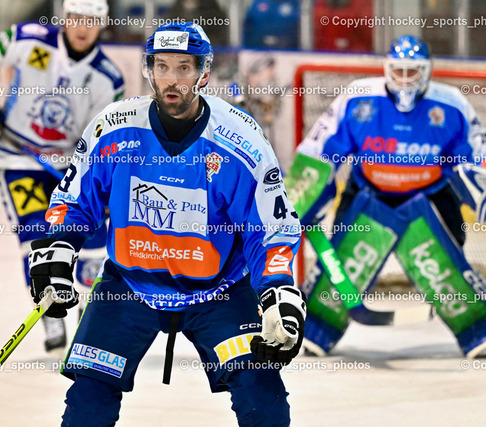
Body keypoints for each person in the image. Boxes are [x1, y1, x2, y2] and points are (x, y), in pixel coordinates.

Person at [27, 22, 305, 426]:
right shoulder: (115, 127)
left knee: (264, 401)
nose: (171, 79)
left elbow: (269, 227)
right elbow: (75, 199)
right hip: (129, 285)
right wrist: (59, 246)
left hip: (220, 291)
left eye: (183, 68)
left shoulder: (240, 141)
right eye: (162, 66)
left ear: (204, 73)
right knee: (87, 402)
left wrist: (278, 291)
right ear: (149, 69)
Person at [288, 35, 486, 359]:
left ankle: (481, 326)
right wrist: (304, 194)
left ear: (427, 71)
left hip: (431, 196)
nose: (405, 79)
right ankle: (315, 327)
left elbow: (479, 149)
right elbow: (319, 149)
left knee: (442, 267)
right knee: (348, 261)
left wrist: (483, 175)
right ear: (387, 69)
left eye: (413, 71)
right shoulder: (358, 98)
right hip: (369, 193)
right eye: (399, 71)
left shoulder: (450, 104)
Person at [0, 0, 124, 355]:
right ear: (65, 18)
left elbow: (102, 139)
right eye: (76, 18)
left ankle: (87, 310)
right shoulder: (31, 40)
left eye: (92, 20)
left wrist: (99, 182)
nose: (83, 27)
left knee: (93, 242)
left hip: (71, 169)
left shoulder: (108, 78)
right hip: (18, 160)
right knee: (36, 236)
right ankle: (50, 313)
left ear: (103, 24)